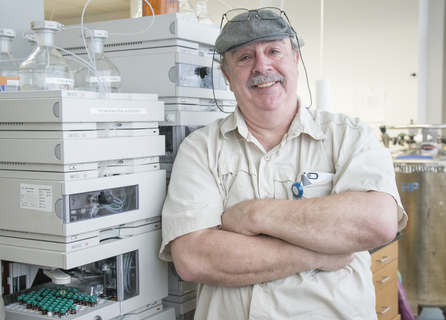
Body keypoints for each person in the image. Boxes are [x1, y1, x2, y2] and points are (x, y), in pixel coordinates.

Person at [159, 7, 407, 320]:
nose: (262, 65)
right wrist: (320, 251)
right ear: (226, 75)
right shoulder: (200, 149)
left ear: (296, 59)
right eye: (244, 57)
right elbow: (194, 258)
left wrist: (252, 214)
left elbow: (377, 222)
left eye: (274, 50)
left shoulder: (349, 135)